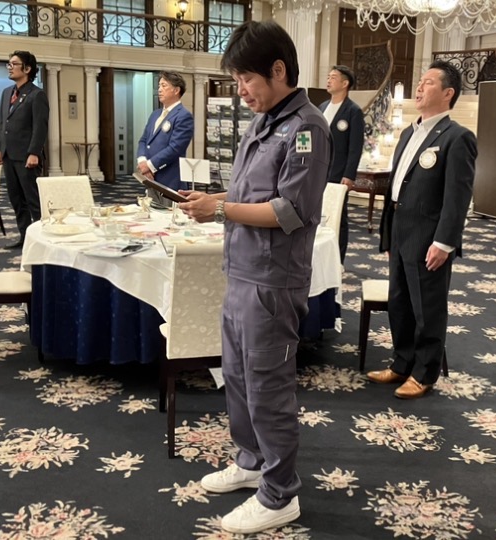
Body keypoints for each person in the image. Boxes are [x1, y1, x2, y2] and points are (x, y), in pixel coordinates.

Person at [178, 20, 331, 535]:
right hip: (242, 270)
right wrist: (213, 200)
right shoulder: (263, 122)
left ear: (278, 70)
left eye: (246, 79)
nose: (240, 91)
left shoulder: (307, 128)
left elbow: (290, 211)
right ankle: (250, 461)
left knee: (268, 387)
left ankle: (279, 494)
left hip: (272, 280)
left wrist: (220, 210)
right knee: (238, 378)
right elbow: (249, 195)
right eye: (237, 80)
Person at [368, 60, 476, 399]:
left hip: (429, 237)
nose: (419, 86)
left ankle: (425, 373)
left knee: (427, 307)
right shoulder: (407, 134)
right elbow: (396, 188)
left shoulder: (457, 138)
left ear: (448, 93)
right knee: (399, 302)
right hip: (400, 231)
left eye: (428, 82)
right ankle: (402, 363)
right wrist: (388, 234)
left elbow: (457, 198)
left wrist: (444, 243)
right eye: (420, 81)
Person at [0, 50, 49, 249]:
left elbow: (40, 126)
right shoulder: (6, 93)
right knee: (16, 199)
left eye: (14, 64)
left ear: (27, 69)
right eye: (8, 64)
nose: (9, 67)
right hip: (8, 154)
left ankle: (42, 239)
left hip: (27, 156)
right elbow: (3, 122)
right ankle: (25, 237)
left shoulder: (36, 95)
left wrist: (34, 152)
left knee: (32, 199)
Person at [319, 65, 365, 263]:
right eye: (328, 77)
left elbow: (355, 147)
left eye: (333, 77)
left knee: (338, 215)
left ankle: (338, 261)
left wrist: (349, 174)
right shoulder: (322, 107)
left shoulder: (353, 111)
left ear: (345, 83)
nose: (328, 80)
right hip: (318, 171)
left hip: (338, 173)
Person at [136, 71, 194, 201]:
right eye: (159, 86)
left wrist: (149, 165)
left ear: (176, 90)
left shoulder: (183, 116)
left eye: (164, 86)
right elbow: (144, 140)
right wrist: (142, 161)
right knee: (152, 209)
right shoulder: (155, 114)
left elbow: (175, 148)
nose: (159, 90)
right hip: (150, 177)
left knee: (168, 212)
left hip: (170, 178)